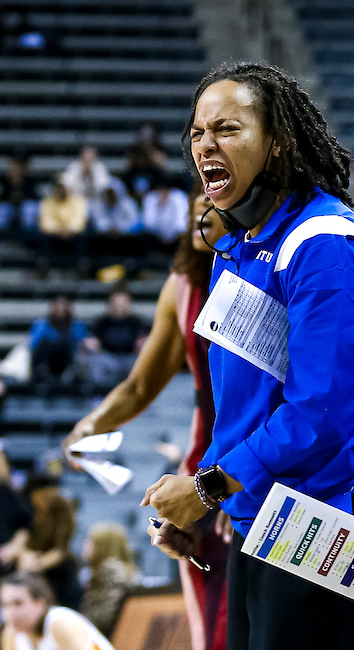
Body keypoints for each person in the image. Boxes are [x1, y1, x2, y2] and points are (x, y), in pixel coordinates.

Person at [143, 62, 354, 650]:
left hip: (331, 520)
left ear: (279, 144)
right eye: (196, 132)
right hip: (261, 522)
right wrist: (211, 501)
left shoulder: (328, 249)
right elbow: (241, 407)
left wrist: (209, 487)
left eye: (227, 129)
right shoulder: (237, 248)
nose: (205, 144)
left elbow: (320, 415)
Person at [64, 184, 230, 650]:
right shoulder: (180, 286)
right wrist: (89, 426)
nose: (202, 205)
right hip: (203, 464)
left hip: (256, 465)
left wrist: (241, 480)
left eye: (214, 201)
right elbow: (140, 385)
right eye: (196, 201)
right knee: (213, 625)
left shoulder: (262, 275)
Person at [0, 572, 113, 650]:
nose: (10, 612)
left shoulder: (60, 622)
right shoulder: (11, 634)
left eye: (18, 603)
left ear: (40, 604)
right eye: (5, 605)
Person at [17, 481, 80, 612]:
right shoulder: (30, 518)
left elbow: (60, 549)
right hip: (36, 563)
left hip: (57, 573)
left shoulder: (62, 513)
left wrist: (38, 564)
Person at [79, 285, 146, 389]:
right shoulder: (102, 321)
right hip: (109, 358)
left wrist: (143, 345)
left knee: (142, 360)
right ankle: (97, 393)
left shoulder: (135, 321)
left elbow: (142, 341)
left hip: (129, 358)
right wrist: (91, 345)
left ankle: (140, 394)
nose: (119, 305)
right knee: (96, 360)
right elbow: (94, 341)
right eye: (116, 302)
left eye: (122, 302)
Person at [79, 524, 138, 638]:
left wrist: (79, 623)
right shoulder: (104, 569)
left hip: (106, 636)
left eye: (90, 541)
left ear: (102, 546)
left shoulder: (111, 569)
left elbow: (108, 613)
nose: (85, 545)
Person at [27, 299, 88, 389]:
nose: (60, 310)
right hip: (45, 364)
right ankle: (43, 376)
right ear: (52, 307)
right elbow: (32, 345)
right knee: (45, 346)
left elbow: (84, 344)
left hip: (68, 363)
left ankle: (70, 376)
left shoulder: (77, 326)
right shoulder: (41, 325)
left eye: (63, 308)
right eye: (57, 307)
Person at [35, 180, 86, 277]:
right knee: (43, 237)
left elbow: (79, 222)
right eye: (58, 188)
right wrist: (59, 230)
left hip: (72, 237)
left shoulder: (77, 201)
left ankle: (81, 268)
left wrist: (69, 230)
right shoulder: (47, 202)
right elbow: (45, 223)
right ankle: (43, 267)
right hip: (54, 238)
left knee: (83, 237)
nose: (61, 191)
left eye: (63, 188)